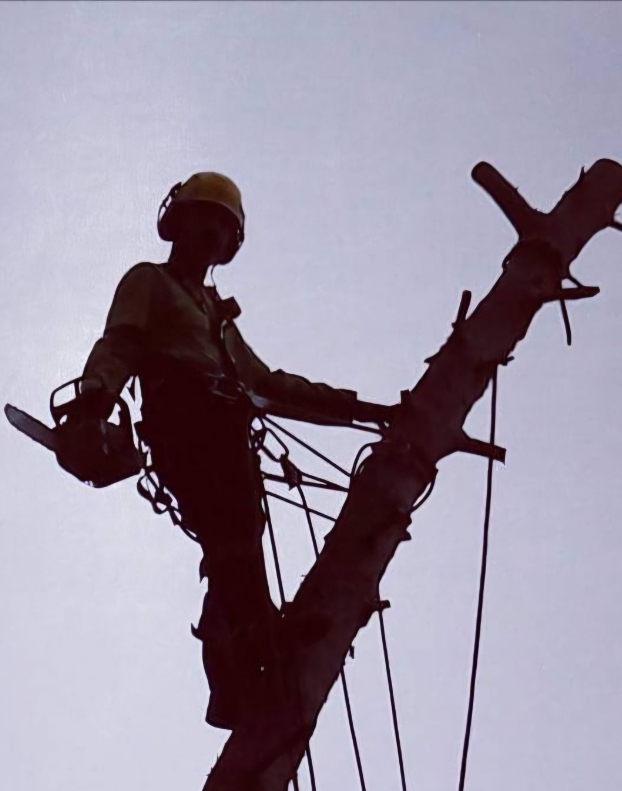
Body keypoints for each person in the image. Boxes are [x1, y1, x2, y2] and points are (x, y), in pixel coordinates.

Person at [80, 172, 397, 730]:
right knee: (233, 528)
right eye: (206, 221)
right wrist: (94, 403)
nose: (213, 235)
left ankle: (232, 668)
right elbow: (121, 343)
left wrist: (358, 408)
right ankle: (253, 633)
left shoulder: (218, 319)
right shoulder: (150, 282)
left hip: (226, 426)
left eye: (223, 229)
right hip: (183, 420)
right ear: (179, 222)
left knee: (241, 531)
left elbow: (270, 385)